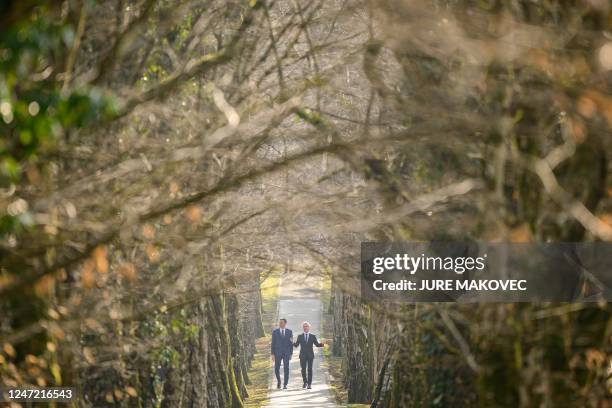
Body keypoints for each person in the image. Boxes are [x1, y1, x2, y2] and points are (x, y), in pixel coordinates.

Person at [293, 321, 324, 389]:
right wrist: (291, 342)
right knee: (303, 369)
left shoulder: (313, 336)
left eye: (306, 326)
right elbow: (296, 345)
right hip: (302, 355)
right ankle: (305, 382)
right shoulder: (300, 336)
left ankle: (309, 384)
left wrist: (323, 344)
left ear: (309, 327)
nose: (305, 328)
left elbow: (317, 344)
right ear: (303, 328)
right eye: (304, 326)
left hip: (310, 355)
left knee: (310, 369)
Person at [271, 318, 293, 389]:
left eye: (281, 323)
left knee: (286, 368)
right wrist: (272, 354)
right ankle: (279, 382)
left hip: (286, 353)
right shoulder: (275, 332)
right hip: (277, 353)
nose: (280, 324)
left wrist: (291, 354)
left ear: (285, 323)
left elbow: (291, 343)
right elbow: (273, 343)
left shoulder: (289, 332)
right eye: (279, 323)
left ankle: (285, 384)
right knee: (276, 369)